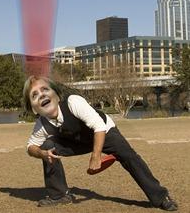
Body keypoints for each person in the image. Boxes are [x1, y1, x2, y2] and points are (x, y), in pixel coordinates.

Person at [23, 75, 178, 211]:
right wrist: (42, 154)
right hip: (76, 141)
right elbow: (31, 147)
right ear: (33, 109)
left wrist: (96, 156)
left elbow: (98, 126)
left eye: (45, 89)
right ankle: (59, 195)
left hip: (103, 131)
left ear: (56, 94)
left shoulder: (73, 102)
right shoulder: (42, 124)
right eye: (34, 95)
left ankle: (160, 197)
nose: (41, 95)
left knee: (129, 156)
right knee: (48, 146)